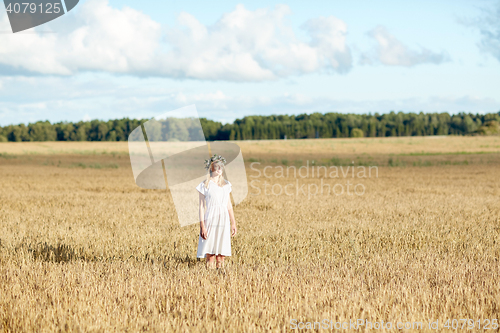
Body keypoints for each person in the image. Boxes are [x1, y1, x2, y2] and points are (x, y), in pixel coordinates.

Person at [196, 155, 237, 269]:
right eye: (217, 167)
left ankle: (221, 278)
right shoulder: (205, 185)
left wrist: (233, 222)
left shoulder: (226, 185)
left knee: (221, 255)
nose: (219, 169)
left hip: (224, 219)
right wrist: (202, 226)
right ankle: (209, 278)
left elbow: (229, 205)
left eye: (221, 167)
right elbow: (201, 207)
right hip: (210, 219)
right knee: (210, 255)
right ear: (211, 168)